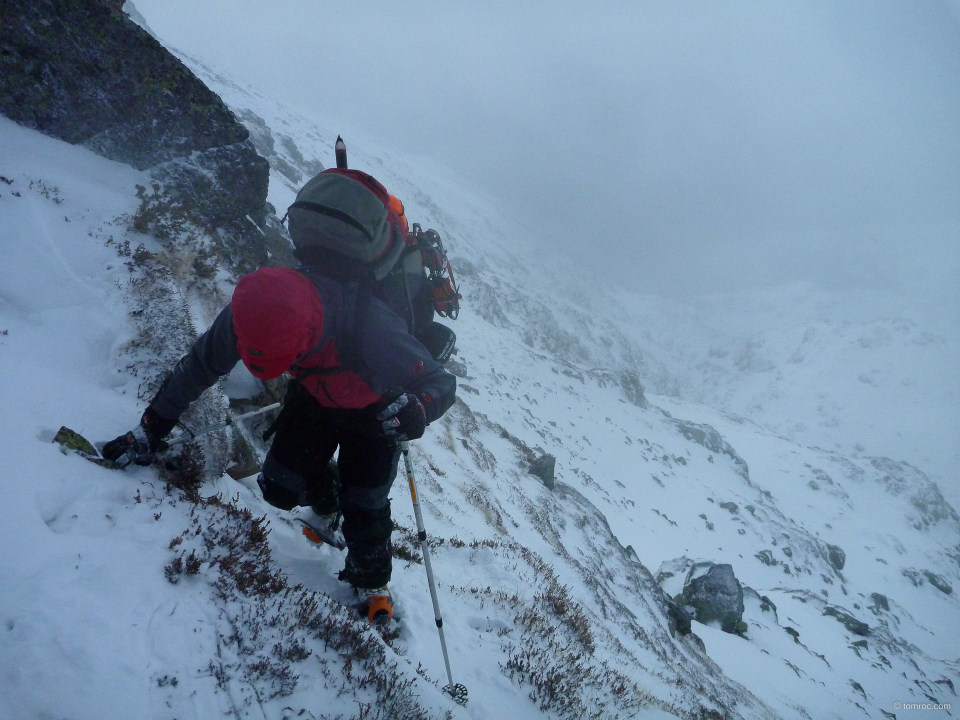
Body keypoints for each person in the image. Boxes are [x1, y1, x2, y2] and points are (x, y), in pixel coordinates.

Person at [102, 170, 457, 625]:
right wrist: (150, 429)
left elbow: (439, 381)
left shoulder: (371, 325)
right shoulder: (257, 306)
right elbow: (198, 367)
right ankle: (326, 507)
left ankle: (371, 584)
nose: (253, 369)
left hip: (375, 413)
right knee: (278, 487)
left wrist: (417, 409)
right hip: (314, 397)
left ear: (307, 334)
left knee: (366, 506)